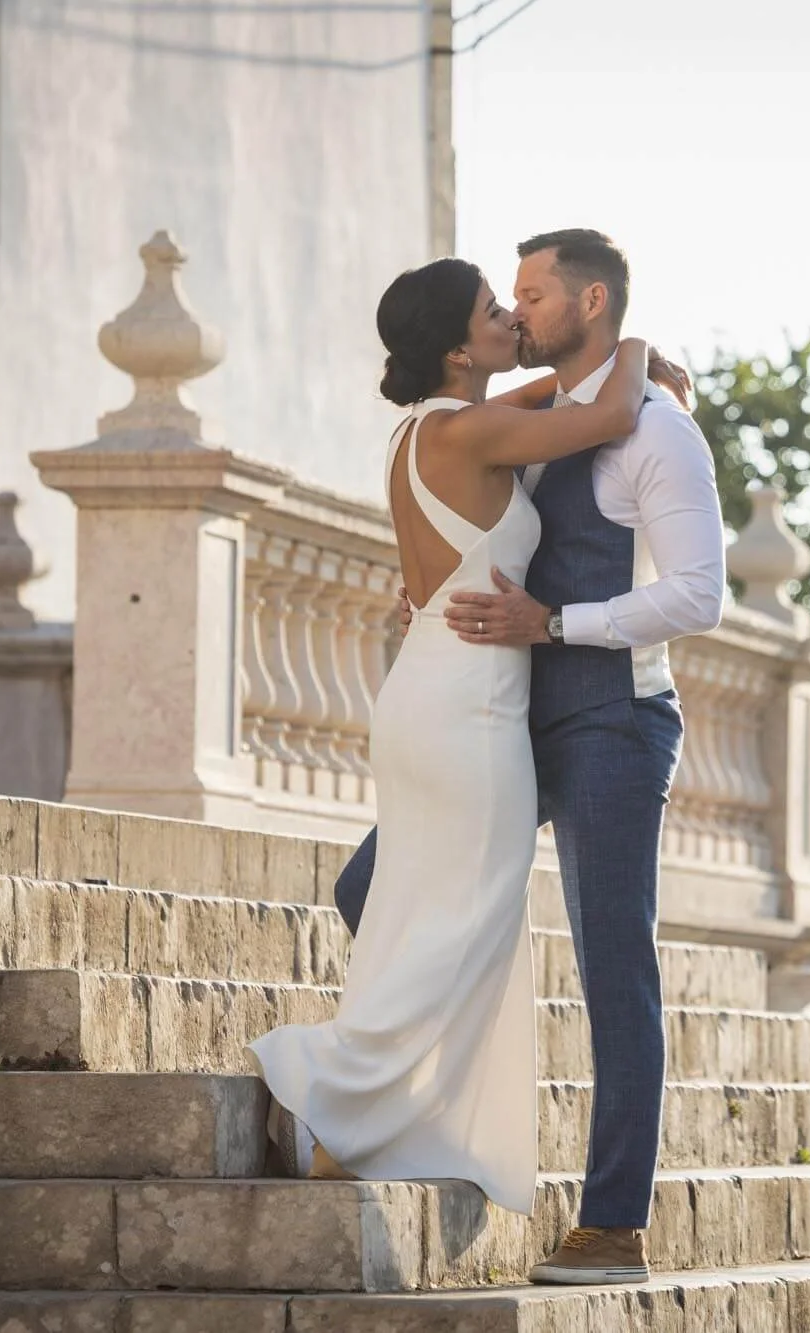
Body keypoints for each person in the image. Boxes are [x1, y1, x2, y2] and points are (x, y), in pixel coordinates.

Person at [246, 252, 676, 1229]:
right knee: (465, 925)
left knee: (424, 909)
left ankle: (362, 1120)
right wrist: (638, 347)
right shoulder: (478, 429)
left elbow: (537, 400)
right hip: (472, 705)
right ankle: (328, 1091)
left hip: (427, 692)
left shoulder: (427, 430)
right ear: (456, 345)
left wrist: (579, 375)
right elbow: (607, 415)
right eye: (495, 310)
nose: (510, 320)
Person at [329, 229, 727, 1285]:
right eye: (504, 301)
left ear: (588, 304)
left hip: (607, 721)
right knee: (369, 883)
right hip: (502, 717)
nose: (517, 314)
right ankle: (399, 1093)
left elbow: (697, 596)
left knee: (613, 967)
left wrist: (556, 626)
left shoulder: (659, 431)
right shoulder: (529, 418)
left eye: (533, 296)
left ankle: (612, 1226)